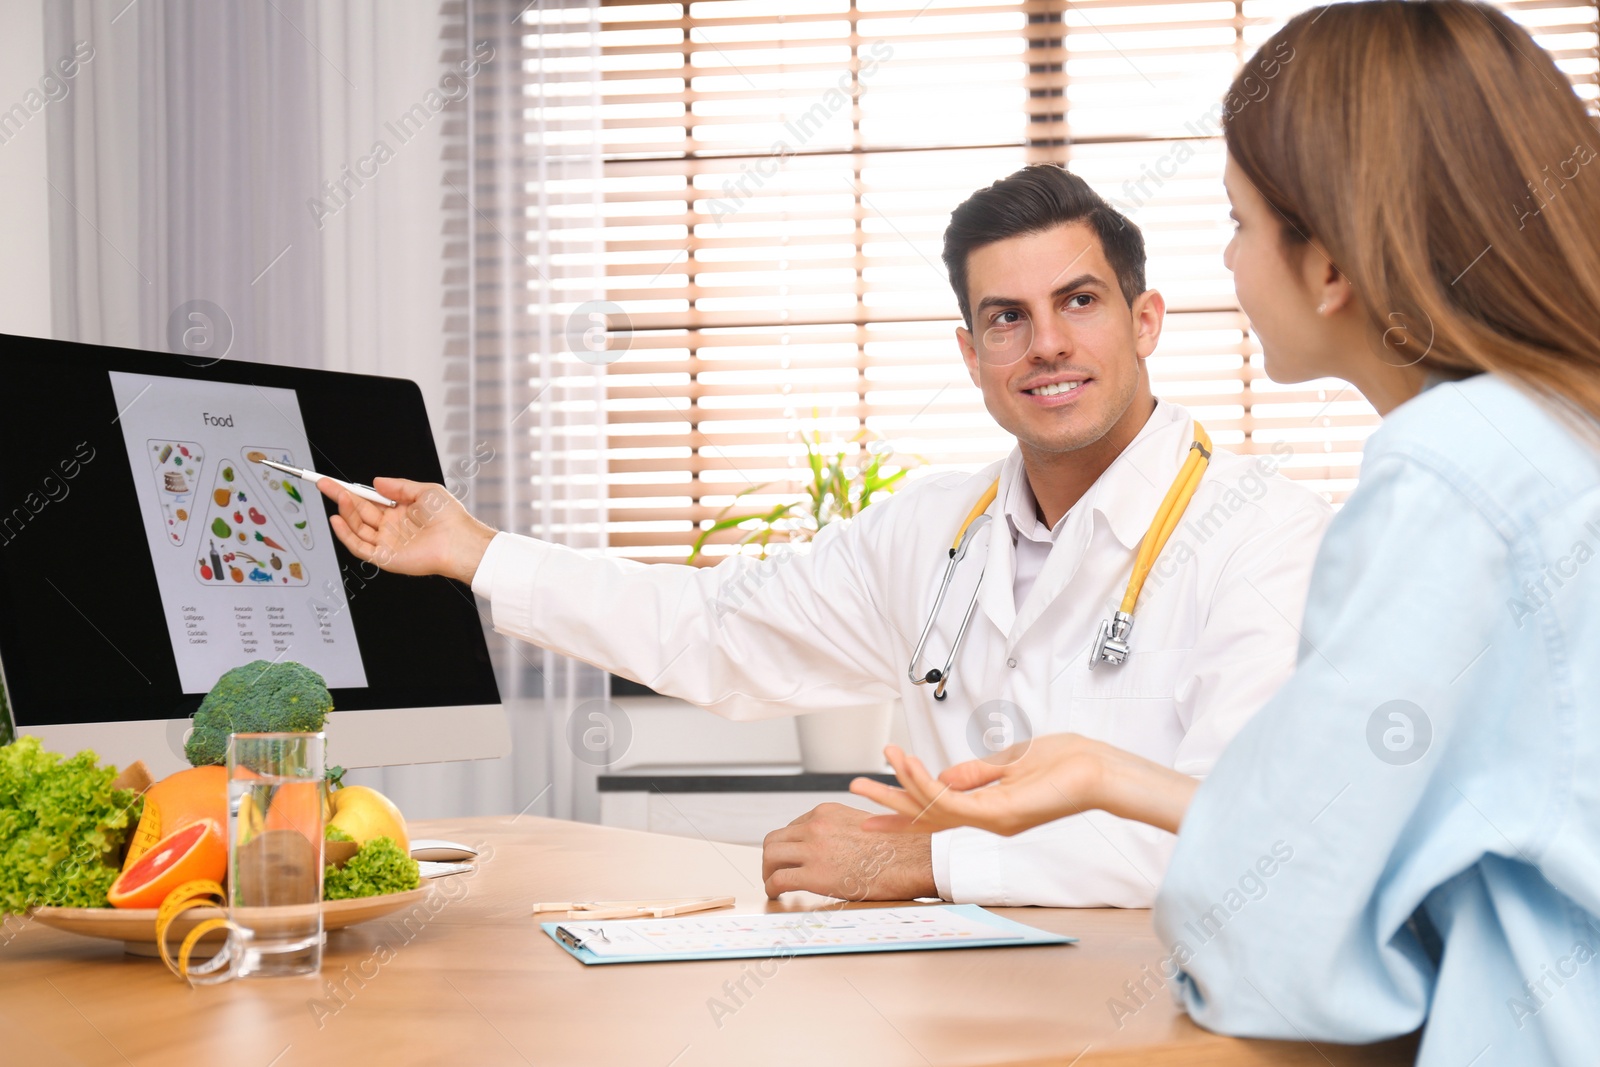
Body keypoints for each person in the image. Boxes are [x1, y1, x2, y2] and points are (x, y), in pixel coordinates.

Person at [849, 2, 1600, 1063]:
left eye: (1241, 221)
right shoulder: (1555, 440)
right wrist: (1115, 777)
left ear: (1329, 264)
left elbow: (1271, 942)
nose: (1231, 263)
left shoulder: (1443, 474)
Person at [318, 166, 1330, 908]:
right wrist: (477, 549)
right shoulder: (935, 527)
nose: (1048, 343)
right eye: (1006, 317)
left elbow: (1246, 840)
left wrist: (924, 859)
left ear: (1145, 318)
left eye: (1078, 301)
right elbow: (713, 629)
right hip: (959, 997)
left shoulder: (1262, 532)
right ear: (970, 353)